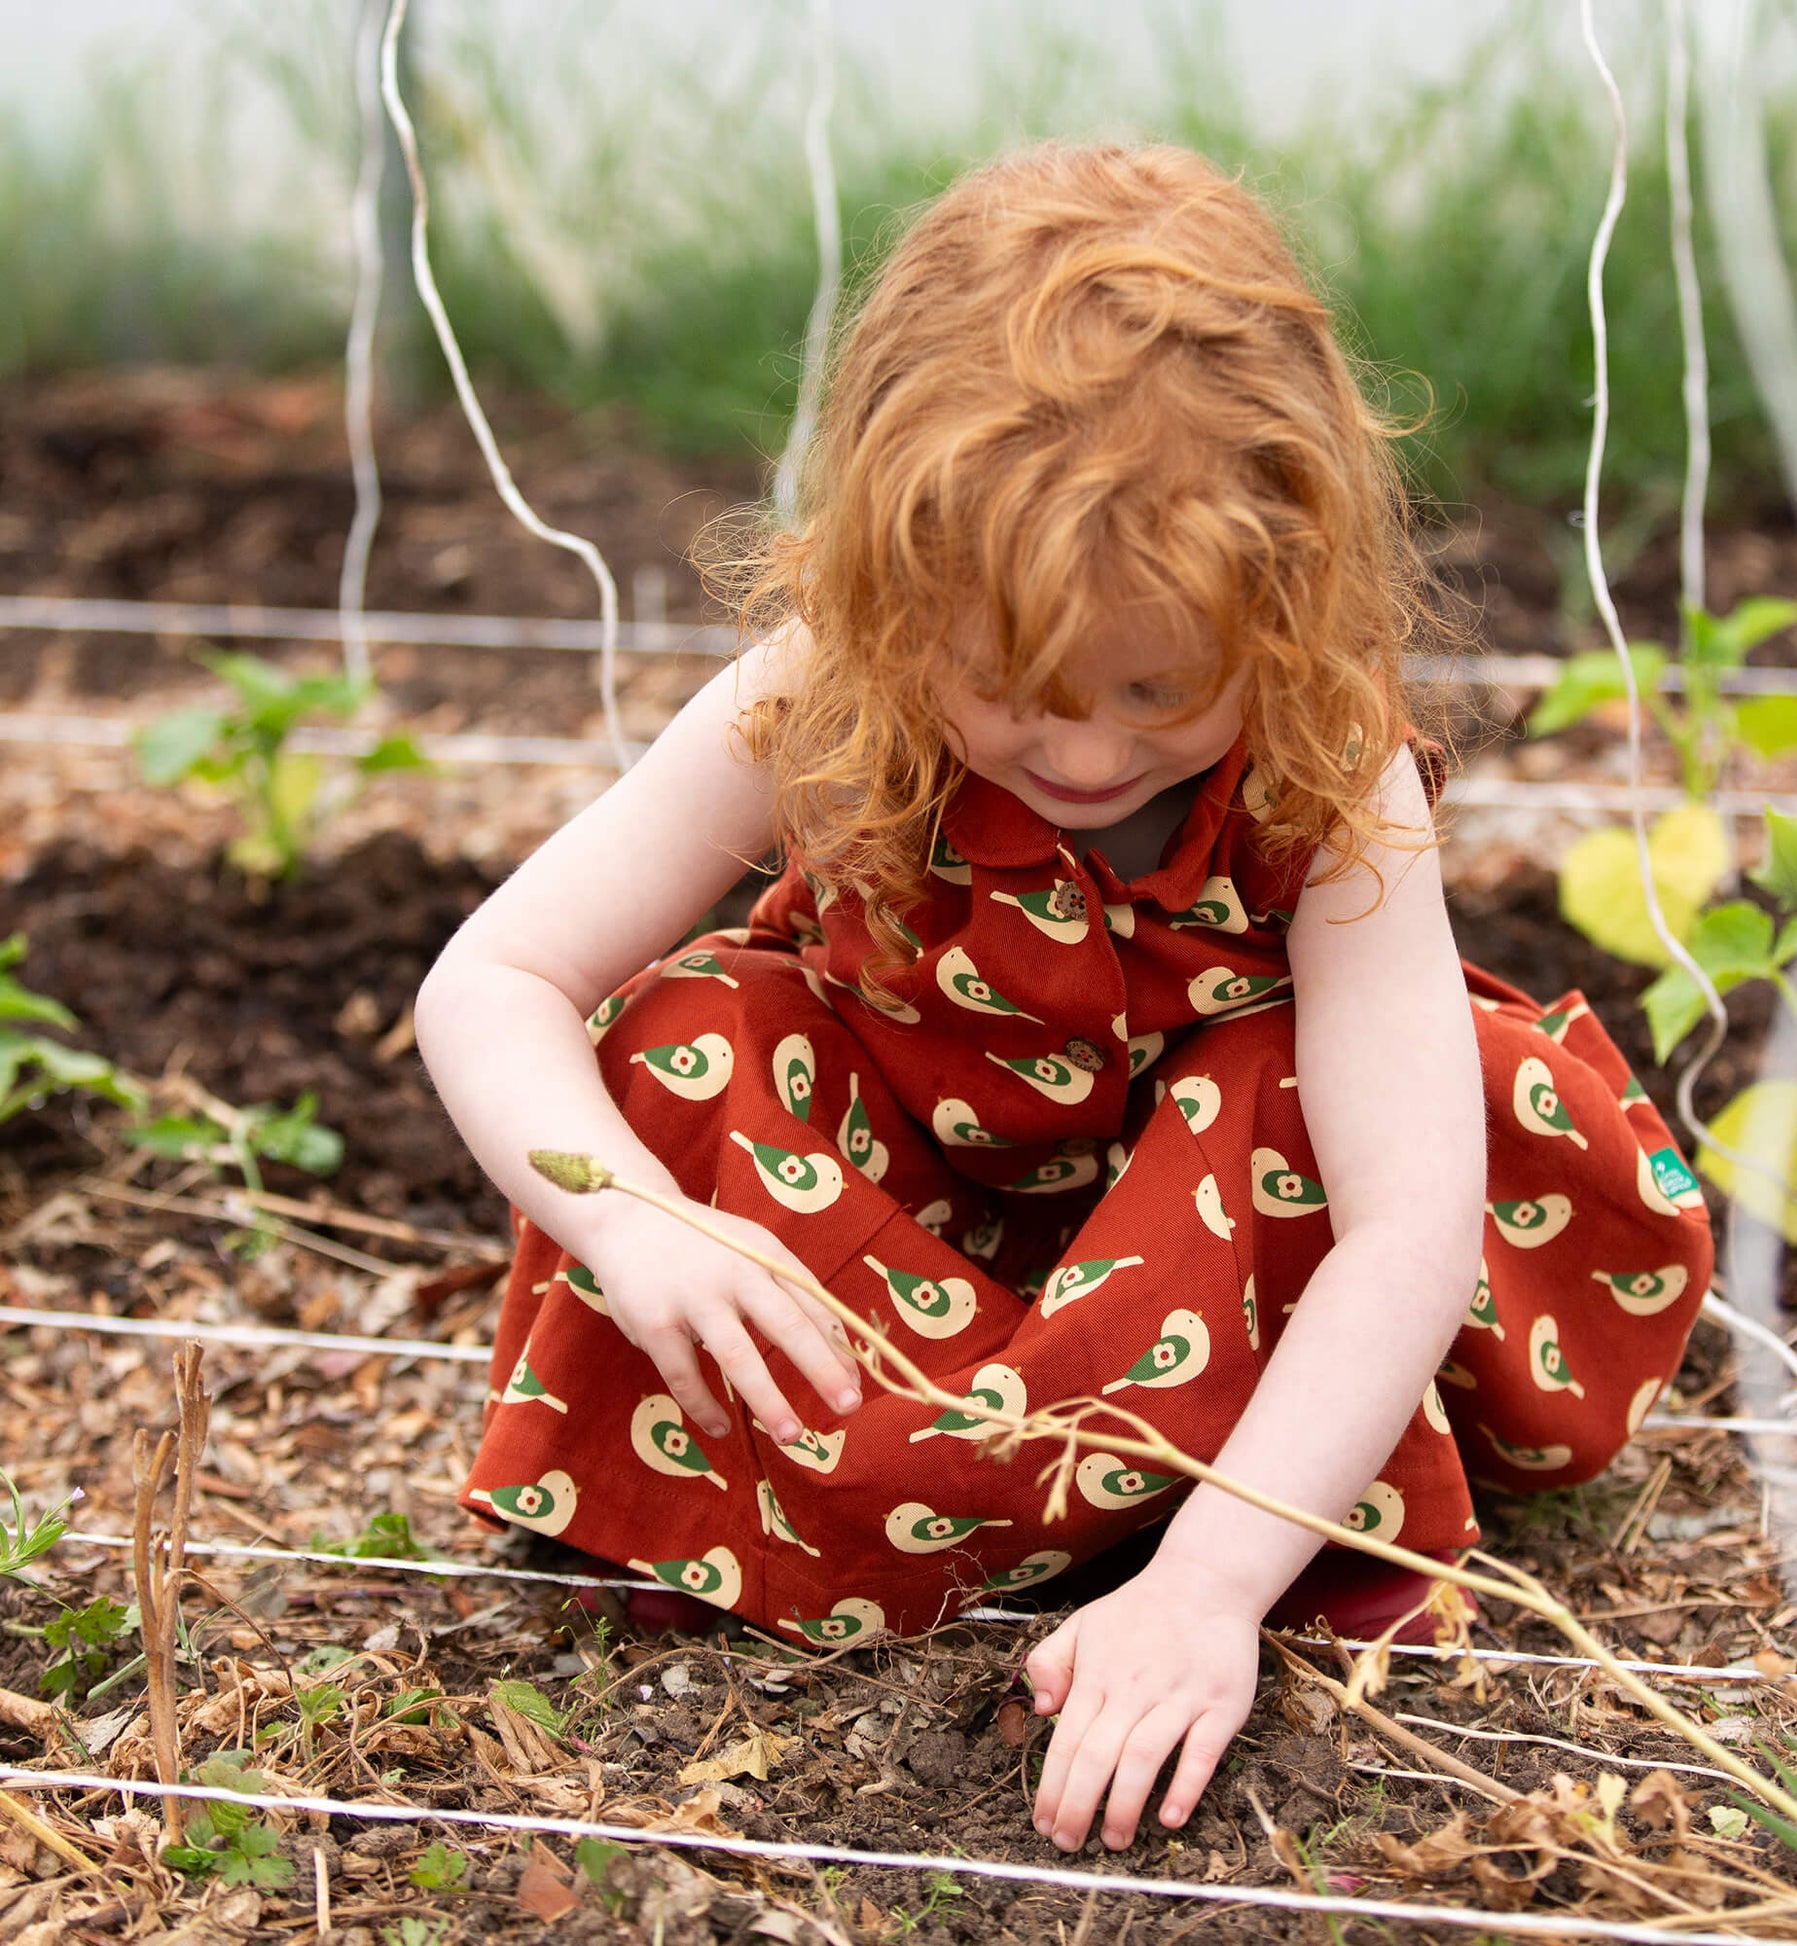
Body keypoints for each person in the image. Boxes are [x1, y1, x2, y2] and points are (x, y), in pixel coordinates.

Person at [416, 142, 1713, 1856]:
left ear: (1289, 594)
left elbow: (1406, 1224)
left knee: (1301, 1099)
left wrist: (1209, 1590)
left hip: (1224, 1299)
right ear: (888, 578)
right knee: (681, 1035)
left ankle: (1154, 1529)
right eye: (1010, 686)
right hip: (897, 1262)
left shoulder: (1328, 769)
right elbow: (493, 977)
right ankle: (918, 1473)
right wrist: (644, 1226)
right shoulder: (816, 695)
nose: (1087, 752)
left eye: (1160, 690)